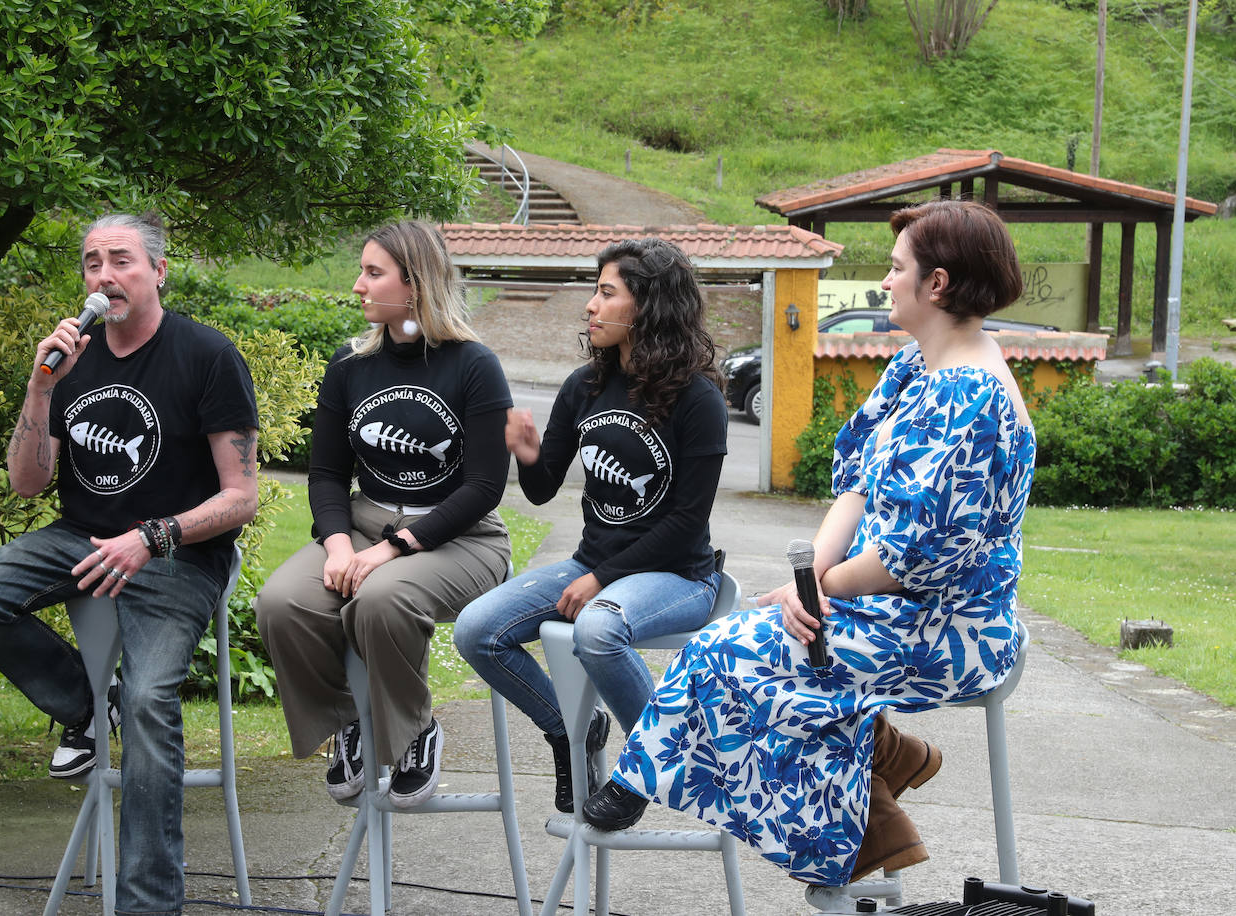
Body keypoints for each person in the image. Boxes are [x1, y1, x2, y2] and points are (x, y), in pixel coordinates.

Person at [587, 200, 1037, 897]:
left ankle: (848, 844)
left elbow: (912, 557)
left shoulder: (974, 396)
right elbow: (855, 484)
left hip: (949, 625)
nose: (884, 283)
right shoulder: (918, 368)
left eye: (895, 269)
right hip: (879, 601)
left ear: (937, 284)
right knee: (744, 648)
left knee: (733, 655)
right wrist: (814, 582)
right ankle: (872, 800)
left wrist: (824, 592)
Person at [0, 212, 260, 914]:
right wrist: (40, 388)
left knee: (151, 700)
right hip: (81, 536)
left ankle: (148, 904)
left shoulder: (207, 356)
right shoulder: (73, 359)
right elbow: (26, 484)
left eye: (120, 260)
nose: (104, 276)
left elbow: (241, 499)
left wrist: (152, 536)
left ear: (158, 271)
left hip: (178, 554)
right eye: (91, 263)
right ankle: (89, 704)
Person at [454, 237, 727, 816]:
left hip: (677, 575)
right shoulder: (585, 385)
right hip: (595, 568)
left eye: (607, 293)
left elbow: (687, 521)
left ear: (648, 307)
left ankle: (647, 767)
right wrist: (527, 454)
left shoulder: (699, 399)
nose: (590, 306)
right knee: (475, 630)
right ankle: (571, 732)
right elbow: (542, 488)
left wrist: (601, 577)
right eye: (595, 291)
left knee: (597, 632)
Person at [255, 220, 512, 809]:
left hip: (462, 535)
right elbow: (325, 474)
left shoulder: (474, 365)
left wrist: (393, 547)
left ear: (415, 283)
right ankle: (348, 725)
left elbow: (484, 486)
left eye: (373, 273)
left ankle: (415, 730)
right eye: (362, 271)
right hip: (366, 521)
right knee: (281, 601)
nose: (358, 285)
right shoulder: (350, 366)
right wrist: (339, 542)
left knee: (381, 598)